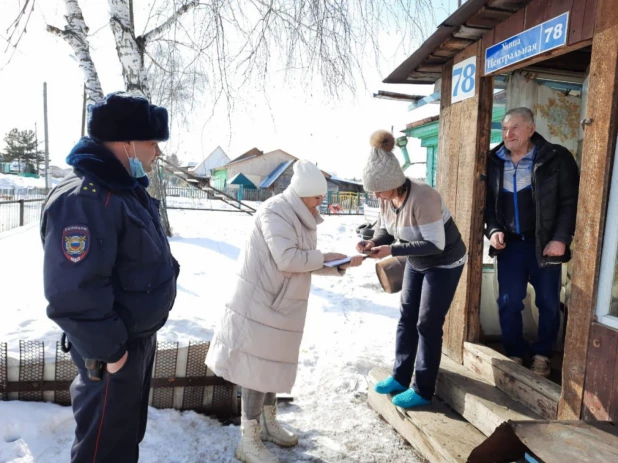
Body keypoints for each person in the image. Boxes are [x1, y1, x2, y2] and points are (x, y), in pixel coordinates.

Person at [41, 92, 180, 462]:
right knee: (102, 449)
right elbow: (73, 291)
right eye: (153, 143)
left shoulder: (123, 191)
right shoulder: (85, 199)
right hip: (109, 353)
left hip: (131, 343)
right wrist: (110, 352)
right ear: (127, 142)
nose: (158, 153)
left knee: (122, 439)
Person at [206, 160, 363, 463]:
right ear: (304, 193)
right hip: (260, 304)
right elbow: (288, 259)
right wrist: (324, 257)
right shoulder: (275, 211)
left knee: (272, 366)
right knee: (256, 371)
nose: (322, 202)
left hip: (279, 304)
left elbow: (303, 262)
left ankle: (267, 424)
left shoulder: (299, 214)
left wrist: (336, 264)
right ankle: (247, 439)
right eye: (319, 196)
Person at [358, 130, 467, 409]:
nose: (375, 195)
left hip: (444, 262)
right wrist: (373, 242)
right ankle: (400, 376)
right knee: (407, 317)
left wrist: (392, 250)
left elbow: (435, 243)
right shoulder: (387, 198)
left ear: (393, 181)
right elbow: (386, 230)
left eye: (378, 189)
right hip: (417, 261)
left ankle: (422, 389)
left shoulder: (424, 196)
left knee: (427, 324)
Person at [485, 107, 579, 377]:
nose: (508, 133)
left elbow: (569, 203)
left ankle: (542, 354)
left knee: (548, 302)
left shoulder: (556, 157)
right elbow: (489, 205)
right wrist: (492, 230)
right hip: (511, 245)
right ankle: (514, 351)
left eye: (515, 127)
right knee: (508, 300)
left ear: (531, 129)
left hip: (545, 243)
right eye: (504, 128)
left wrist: (561, 239)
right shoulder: (494, 160)